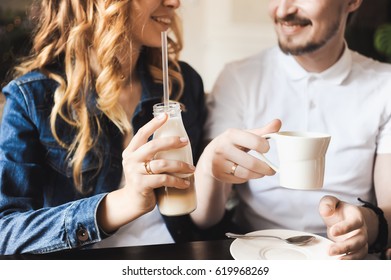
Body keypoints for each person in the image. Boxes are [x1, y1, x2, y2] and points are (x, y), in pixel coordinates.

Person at [0, 0, 206, 255]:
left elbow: (204, 214)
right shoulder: (31, 99)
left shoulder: (183, 84)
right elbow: (5, 231)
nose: (175, 3)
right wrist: (122, 203)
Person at [191, 0, 391, 260]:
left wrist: (366, 223)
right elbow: (204, 219)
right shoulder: (238, 78)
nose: (283, 10)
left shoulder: (385, 86)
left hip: (345, 263)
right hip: (252, 256)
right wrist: (208, 167)